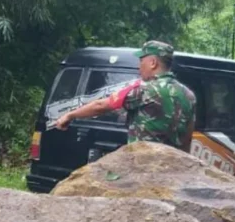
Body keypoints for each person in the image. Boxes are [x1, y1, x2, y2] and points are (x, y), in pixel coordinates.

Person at [53, 41, 196, 151]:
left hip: (143, 163)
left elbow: (100, 105)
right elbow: (187, 138)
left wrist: (70, 115)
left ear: (153, 63)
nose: (139, 67)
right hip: (172, 168)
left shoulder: (142, 89)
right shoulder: (189, 95)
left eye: (141, 61)